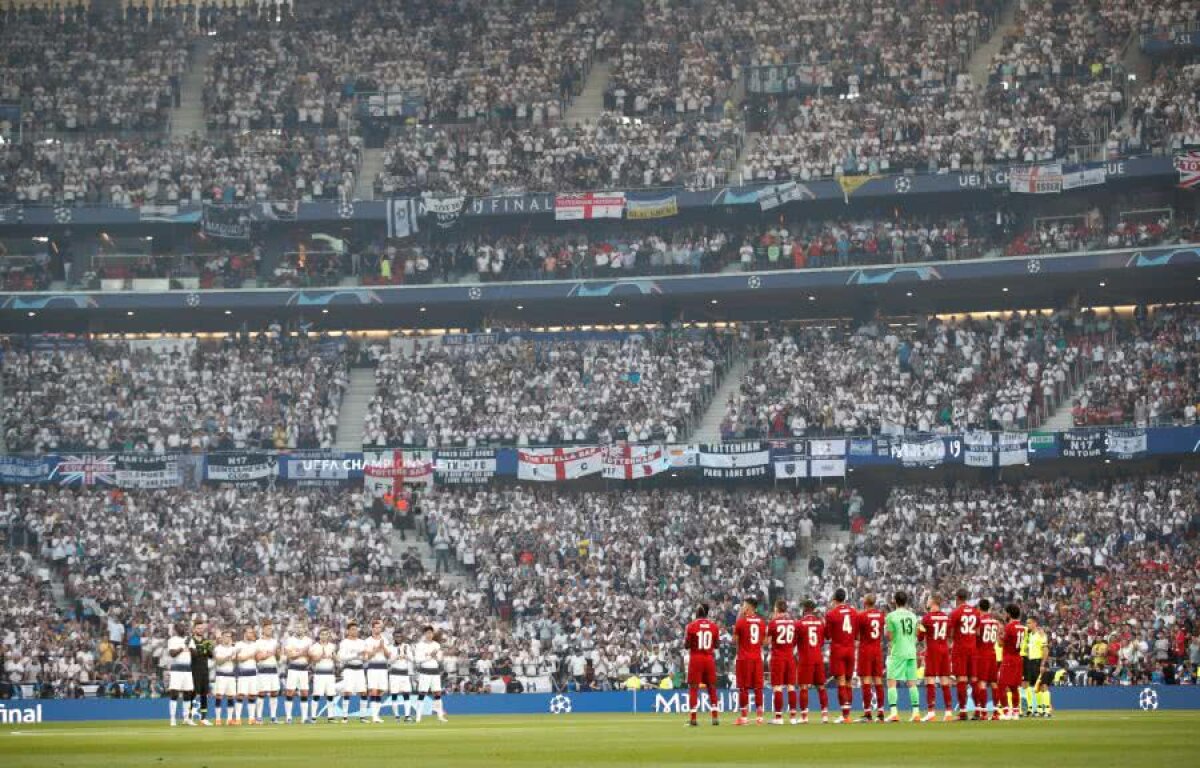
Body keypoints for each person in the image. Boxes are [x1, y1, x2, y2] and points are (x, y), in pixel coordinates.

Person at [884, 591, 922, 722]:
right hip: (911, 651)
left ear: (894, 600)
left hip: (898, 652)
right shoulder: (913, 615)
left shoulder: (890, 616)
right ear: (906, 601)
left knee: (891, 681)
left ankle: (894, 712)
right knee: (912, 683)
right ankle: (916, 712)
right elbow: (917, 633)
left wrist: (887, 633)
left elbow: (890, 637)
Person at [684, 603, 720, 727]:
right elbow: (717, 645)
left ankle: (693, 718)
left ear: (698, 611)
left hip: (696, 658)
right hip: (709, 659)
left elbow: (687, 645)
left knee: (694, 688)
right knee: (712, 688)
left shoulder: (691, 626)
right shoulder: (714, 626)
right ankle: (715, 717)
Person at [824, 587, 857, 723]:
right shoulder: (854, 612)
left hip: (838, 650)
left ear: (834, 599)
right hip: (850, 649)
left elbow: (827, 635)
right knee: (849, 682)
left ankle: (845, 716)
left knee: (841, 682)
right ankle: (847, 714)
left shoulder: (831, 614)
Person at [732, 596, 766, 725]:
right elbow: (763, 642)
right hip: (757, 658)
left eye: (743, 605)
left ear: (748, 607)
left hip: (744, 658)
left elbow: (734, 640)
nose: (742, 607)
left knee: (743, 688)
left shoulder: (741, 621)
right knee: (758, 688)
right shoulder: (762, 622)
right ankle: (759, 717)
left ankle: (744, 717)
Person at [919, 595, 953, 722]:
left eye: (928, 600)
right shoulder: (946, 617)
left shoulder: (926, 618)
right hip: (944, 650)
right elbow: (949, 635)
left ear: (933, 602)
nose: (926, 602)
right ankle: (949, 712)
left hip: (932, 651)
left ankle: (931, 712)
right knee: (945, 681)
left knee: (930, 681)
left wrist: (919, 628)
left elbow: (920, 637)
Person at [948, 588, 980, 719]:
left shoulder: (955, 613)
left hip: (960, 649)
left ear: (957, 598)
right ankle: (978, 711)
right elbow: (978, 633)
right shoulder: (975, 612)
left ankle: (963, 712)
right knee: (973, 679)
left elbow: (950, 634)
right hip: (972, 649)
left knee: (961, 680)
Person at [795, 599, 829, 724]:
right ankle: (825, 716)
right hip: (818, 657)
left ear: (804, 609)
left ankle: (804, 717)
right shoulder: (820, 623)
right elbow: (821, 642)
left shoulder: (799, 623)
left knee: (804, 687)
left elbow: (794, 642)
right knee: (821, 687)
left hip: (805, 658)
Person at [765, 598, 797, 725]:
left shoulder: (773, 623)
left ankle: (778, 718)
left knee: (777, 687)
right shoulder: (793, 623)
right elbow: (795, 640)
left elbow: (766, 641)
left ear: (776, 609)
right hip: (790, 656)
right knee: (791, 686)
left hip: (778, 657)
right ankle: (793, 717)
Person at [855, 594, 886, 722]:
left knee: (866, 681)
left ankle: (867, 713)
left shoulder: (861, 616)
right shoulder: (881, 616)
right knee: (878, 681)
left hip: (865, 649)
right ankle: (881, 712)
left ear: (865, 602)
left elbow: (856, 635)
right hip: (877, 650)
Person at [414, 625, 449, 723]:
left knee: (437, 693)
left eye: (431, 633)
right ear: (424, 634)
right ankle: (418, 717)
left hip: (435, 672)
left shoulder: (436, 645)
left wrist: (436, 657)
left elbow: (440, 659)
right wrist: (430, 656)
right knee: (422, 694)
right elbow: (417, 660)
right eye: (427, 633)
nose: (429, 635)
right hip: (425, 672)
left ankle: (440, 716)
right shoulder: (420, 645)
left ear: (433, 634)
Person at [999, 604, 1027, 720]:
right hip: (1018, 658)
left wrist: (998, 634)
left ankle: (1006, 711)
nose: (1004, 615)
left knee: (1001, 685)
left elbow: (1001, 643)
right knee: (1015, 687)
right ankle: (1015, 711)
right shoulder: (1021, 627)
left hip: (1009, 658)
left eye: (1005, 613)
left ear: (1009, 614)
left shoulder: (1009, 627)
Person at [976, 599, 1002, 721]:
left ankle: (984, 713)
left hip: (982, 654)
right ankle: (996, 712)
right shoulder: (995, 622)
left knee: (982, 683)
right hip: (993, 653)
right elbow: (998, 639)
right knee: (994, 683)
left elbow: (976, 637)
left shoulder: (979, 621)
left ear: (979, 608)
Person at [283, 619, 313, 724]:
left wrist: (298, 652)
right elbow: (290, 656)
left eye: (301, 627)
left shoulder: (309, 640)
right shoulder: (290, 640)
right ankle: (288, 717)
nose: (299, 629)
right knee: (290, 692)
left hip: (304, 670)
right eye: (297, 627)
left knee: (304, 692)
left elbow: (310, 656)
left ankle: (304, 718)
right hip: (293, 669)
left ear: (304, 629)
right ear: (294, 629)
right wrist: (302, 652)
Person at [166, 621, 195, 727]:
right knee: (174, 693)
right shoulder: (172, 640)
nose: (184, 628)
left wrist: (191, 647)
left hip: (187, 669)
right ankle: (173, 718)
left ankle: (186, 718)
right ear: (176, 629)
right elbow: (172, 654)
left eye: (184, 626)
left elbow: (195, 654)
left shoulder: (189, 639)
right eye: (181, 627)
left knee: (188, 693)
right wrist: (183, 646)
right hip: (176, 670)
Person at [1022, 616, 1051, 717]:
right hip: (1031, 662)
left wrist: (1043, 663)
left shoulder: (1041, 634)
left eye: (1029, 623)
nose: (1027, 625)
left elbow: (1045, 649)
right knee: (1035, 687)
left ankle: (1047, 710)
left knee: (1043, 686)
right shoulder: (1030, 635)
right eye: (1027, 623)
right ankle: (1039, 710)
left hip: (1039, 662)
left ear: (1035, 623)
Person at [338, 621, 367, 724]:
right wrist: (355, 655)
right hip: (349, 669)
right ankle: (345, 717)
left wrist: (364, 657)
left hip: (359, 669)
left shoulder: (362, 642)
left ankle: (363, 717)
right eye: (353, 629)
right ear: (348, 631)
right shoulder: (344, 643)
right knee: (347, 692)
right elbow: (341, 658)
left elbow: (365, 656)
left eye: (356, 629)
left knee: (363, 692)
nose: (355, 631)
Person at [364, 619, 391, 723]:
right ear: (372, 628)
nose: (377, 629)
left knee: (381, 691)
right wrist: (376, 649)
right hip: (373, 668)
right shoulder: (368, 641)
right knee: (373, 690)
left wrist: (383, 647)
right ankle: (374, 717)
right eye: (375, 627)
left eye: (379, 627)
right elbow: (366, 657)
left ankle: (376, 715)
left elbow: (388, 656)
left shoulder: (385, 640)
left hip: (383, 668)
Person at [187, 620, 214, 726]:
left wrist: (208, 648)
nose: (200, 630)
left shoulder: (206, 640)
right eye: (198, 628)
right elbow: (194, 654)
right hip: (193, 669)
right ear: (194, 629)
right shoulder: (190, 640)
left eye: (202, 628)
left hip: (204, 670)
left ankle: (203, 718)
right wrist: (204, 649)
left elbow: (211, 655)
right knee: (193, 693)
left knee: (204, 694)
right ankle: (188, 717)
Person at [309, 628, 338, 723]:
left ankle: (331, 717)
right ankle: (313, 717)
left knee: (330, 695)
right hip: (319, 675)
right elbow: (313, 661)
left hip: (330, 674)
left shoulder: (332, 646)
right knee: (317, 695)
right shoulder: (314, 646)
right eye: (322, 634)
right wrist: (321, 656)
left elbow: (337, 659)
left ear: (328, 635)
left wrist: (333, 656)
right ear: (319, 635)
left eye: (326, 634)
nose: (324, 636)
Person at [256, 620, 281, 724]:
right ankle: (259, 717)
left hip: (273, 670)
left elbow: (278, 658)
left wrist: (277, 653)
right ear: (263, 629)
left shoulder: (275, 642)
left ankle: (273, 717)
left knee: (274, 692)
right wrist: (267, 654)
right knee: (261, 693)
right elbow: (257, 657)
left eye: (271, 629)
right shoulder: (258, 642)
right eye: (267, 628)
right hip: (263, 671)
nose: (269, 630)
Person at [388, 629, 415, 722]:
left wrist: (406, 655)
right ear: (394, 637)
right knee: (394, 695)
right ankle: (397, 716)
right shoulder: (390, 647)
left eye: (400, 636)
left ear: (402, 637)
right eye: (396, 636)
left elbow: (412, 659)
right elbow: (388, 662)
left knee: (406, 695)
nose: (398, 638)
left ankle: (407, 716)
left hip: (404, 674)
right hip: (394, 674)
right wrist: (397, 656)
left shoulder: (407, 646)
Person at [234, 626, 259, 725]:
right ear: (245, 633)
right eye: (249, 632)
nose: (251, 634)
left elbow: (257, 659)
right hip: (243, 674)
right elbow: (238, 658)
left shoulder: (255, 645)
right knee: (240, 695)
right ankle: (238, 719)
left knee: (252, 695)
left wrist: (255, 656)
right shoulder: (238, 645)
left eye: (252, 633)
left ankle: (251, 719)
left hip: (253, 673)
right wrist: (250, 655)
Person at [212, 630, 237, 725]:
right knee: (219, 696)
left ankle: (229, 719)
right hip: (221, 675)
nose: (228, 638)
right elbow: (218, 662)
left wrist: (234, 658)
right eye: (226, 636)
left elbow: (235, 662)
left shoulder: (233, 649)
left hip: (230, 675)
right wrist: (228, 657)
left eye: (230, 636)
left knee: (231, 696)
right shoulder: (217, 648)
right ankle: (218, 719)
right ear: (222, 637)